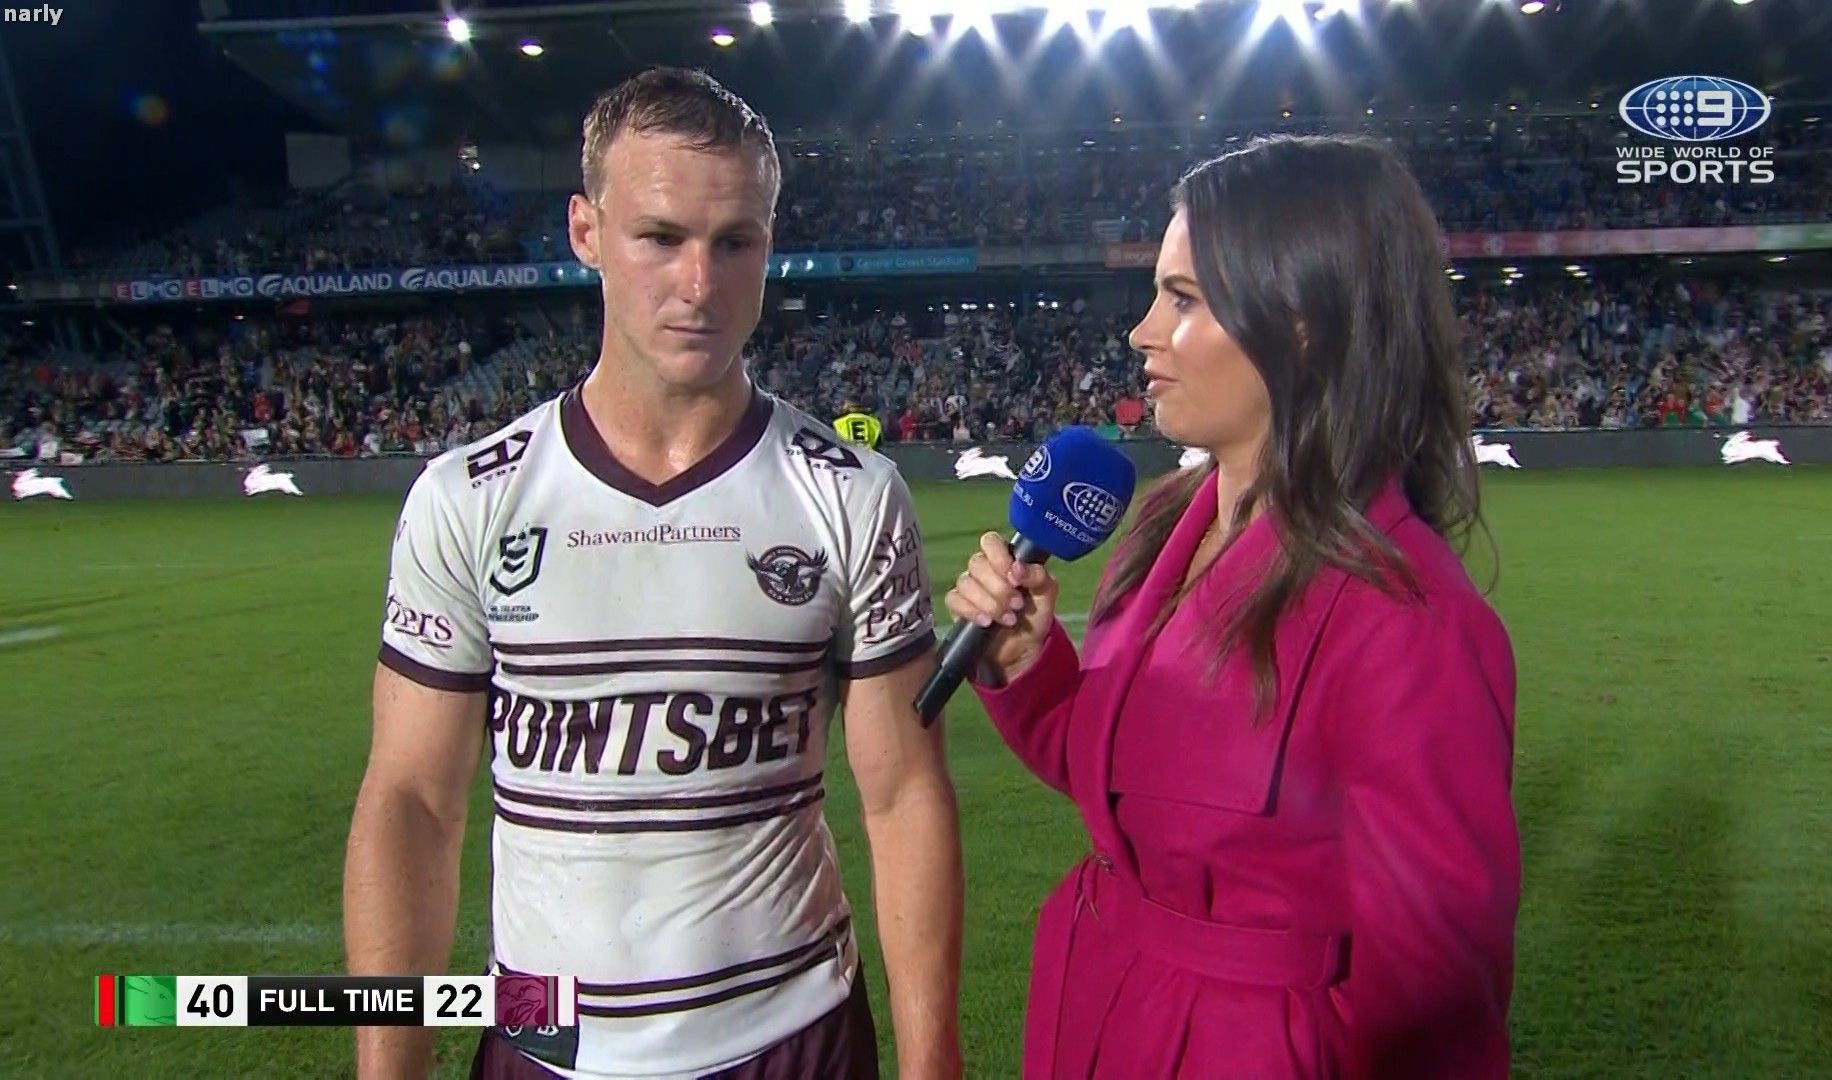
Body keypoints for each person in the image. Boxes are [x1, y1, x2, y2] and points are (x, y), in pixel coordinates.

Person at [345, 67, 963, 1080]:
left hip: (791, 1035)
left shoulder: (851, 494)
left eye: (735, 243)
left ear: (770, 241)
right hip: (546, 1043)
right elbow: (412, 802)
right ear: (585, 232)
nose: (700, 284)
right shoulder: (469, 498)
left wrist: (933, 1063)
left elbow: (902, 798)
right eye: (660, 238)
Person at [944, 135, 1521, 1078]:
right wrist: (1028, 673)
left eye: (1182, 300)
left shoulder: (1414, 627)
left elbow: (1435, 1004)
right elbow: (1136, 791)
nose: (1141, 333)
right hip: (1096, 1013)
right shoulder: (1162, 525)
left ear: (1302, 324)